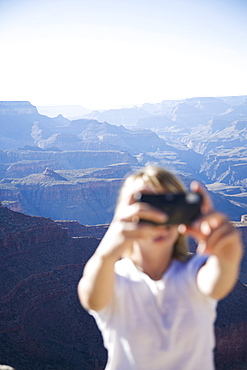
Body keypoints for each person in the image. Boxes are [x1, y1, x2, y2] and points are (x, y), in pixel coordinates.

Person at [78, 166, 243, 370]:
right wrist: (106, 252)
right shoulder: (114, 277)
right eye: (147, 206)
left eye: (168, 208)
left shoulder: (194, 271)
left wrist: (226, 258)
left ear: (182, 214)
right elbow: (92, 297)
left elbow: (216, 284)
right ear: (125, 215)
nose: (159, 220)